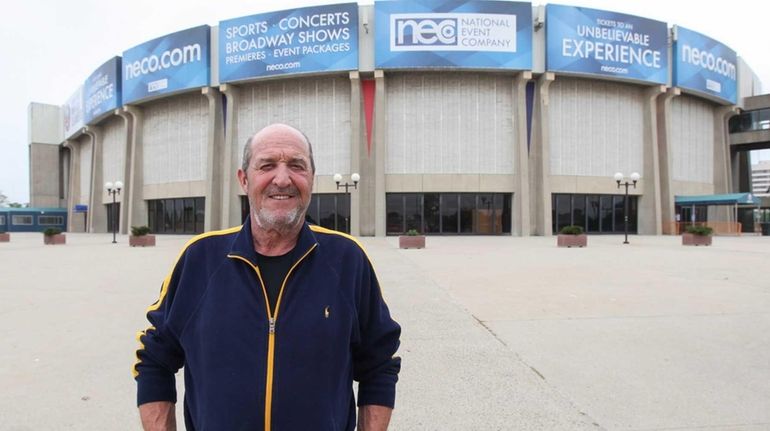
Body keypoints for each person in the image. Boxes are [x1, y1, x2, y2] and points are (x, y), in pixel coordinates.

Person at [133, 123, 401, 431]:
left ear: (311, 179)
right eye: (267, 165)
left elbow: (379, 365)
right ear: (244, 179)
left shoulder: (347, 260)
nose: (283, 178)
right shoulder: (199, 259)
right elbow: (154, 359)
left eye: (297, 166)